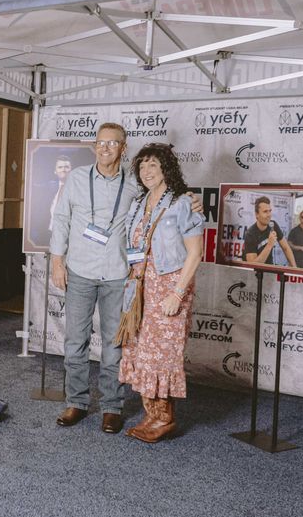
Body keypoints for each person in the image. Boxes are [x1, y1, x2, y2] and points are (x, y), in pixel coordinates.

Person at [49, 123, 142, 434]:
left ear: (123, 148)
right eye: (100, 143)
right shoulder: (77, 178)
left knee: (114, 345)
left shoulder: (135, 183)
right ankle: (76, 401)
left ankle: (112, 407)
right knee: (75, 341)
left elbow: (158, 207)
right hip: (80, 270)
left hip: (117, 274)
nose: (104, 148)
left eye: (112, 143)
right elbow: (61, 219)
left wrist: (192, 201)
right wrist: (57, 261)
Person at [118, 144, 204, 442]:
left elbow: (195, 254)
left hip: (168, 287)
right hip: (139, 285)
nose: (147, 171)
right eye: (142, 167)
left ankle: (165, 419)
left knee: (163, 354)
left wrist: (177, 294)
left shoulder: (183, 203)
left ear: (166, 168)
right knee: (141, 350)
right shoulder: (138, 204)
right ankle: (151, 414)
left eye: (153, 165)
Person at [243, 196, 297, 268]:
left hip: (270, 271)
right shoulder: (250, 234)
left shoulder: (273, 225)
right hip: (256, 275)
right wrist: (269, 245)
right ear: (257, 214)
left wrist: (294, 268)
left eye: (270, 211)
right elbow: (253, 265)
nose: (269, 215)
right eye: (265, 211)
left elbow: (286, 248)